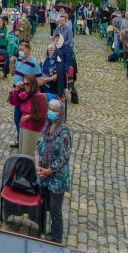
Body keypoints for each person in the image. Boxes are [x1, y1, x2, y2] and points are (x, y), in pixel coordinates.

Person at [35, 98, 71, 244]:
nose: (51, 112)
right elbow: (38, 147)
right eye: (50, 109)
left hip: (57, 177)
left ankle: (56, 239)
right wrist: (37, 165)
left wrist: (49, 171)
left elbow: (64, 157)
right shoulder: (46, 127)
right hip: (43, 174)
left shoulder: (64, 132)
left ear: (60, 113)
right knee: (47, 205)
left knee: (55, 209)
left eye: (55, 110)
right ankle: (45, 230)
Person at [11, 73, 47, 155]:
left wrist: (29, 116)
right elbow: (14, 101)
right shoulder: (24, 95)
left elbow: (42, 114)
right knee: (22, 151)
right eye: (24, 84)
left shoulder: (40, 97)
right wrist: (16, 89)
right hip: (23, 126)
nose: (25, 86)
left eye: (27, 84)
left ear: (33, 84)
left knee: (29, 152)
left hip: (33, 128)